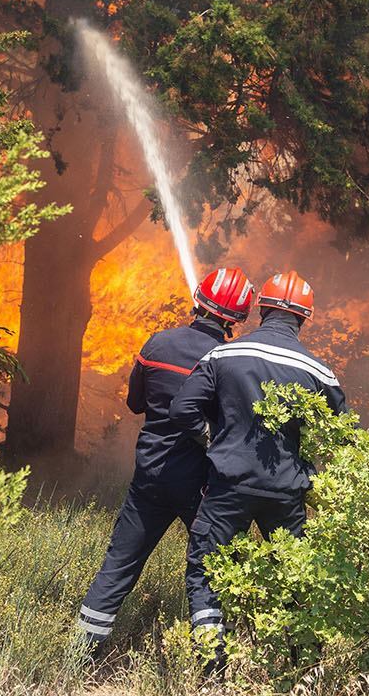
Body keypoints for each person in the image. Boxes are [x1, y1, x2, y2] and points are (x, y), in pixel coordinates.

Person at [74, 267, 255, 654]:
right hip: (200, 484)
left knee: (119, 564)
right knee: (218, 567)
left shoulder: (157, 345)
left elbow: (136, 402)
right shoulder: (229, 360)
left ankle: (80, 653)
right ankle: (215, 660)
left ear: (198, 299)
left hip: (150, 477)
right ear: (237, 318)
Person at [170, 271, 346, 663]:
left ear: (261, 309)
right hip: (286, 491)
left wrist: (213, 439)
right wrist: (315, 473)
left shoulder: (223, 355)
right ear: (303, 318)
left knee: (206, 571)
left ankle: (212, 665)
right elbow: (344, 435)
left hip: (228, 487)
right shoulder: (319, 371)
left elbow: (182, 409)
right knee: (296, 576)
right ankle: (304, 669)